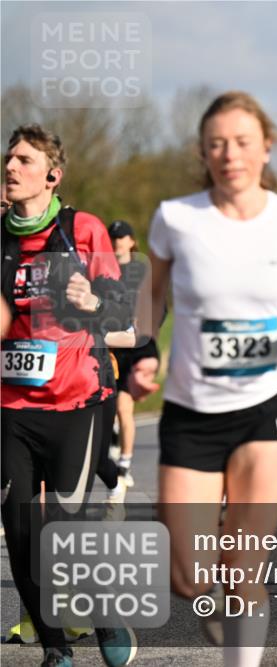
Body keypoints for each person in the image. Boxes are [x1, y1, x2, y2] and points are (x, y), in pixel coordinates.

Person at [130, 92, 277, 667]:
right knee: (187, 576)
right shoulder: (176, 218)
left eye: (243, 142)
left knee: (244, 563)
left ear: (266, 147)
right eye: (217, 143)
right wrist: (138, 354)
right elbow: (150, 304)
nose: (230, 154)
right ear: (203, 151)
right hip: (191, 412)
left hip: (266, 405)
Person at [2, 124, 137, 667]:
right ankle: (55, 648)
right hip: (10, 408)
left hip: (75, 404)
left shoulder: (82, 231)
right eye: (8, 159)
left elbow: (124, 318)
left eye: (24, 160)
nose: (11, 167)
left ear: (52, 175)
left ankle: (103, 610)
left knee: (64, 527)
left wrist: (91, 303)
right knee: (18, 529)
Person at [106, 220, 160, 489]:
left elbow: (158, 303)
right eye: (112, 237)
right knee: (109, 408)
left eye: (122, 236)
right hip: (110, 346)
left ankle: (124, 464)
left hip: (135, 348)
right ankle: (113, 440)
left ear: (131, 241)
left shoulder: (142, 270)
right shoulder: (101, 270)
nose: (116, 241)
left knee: (124, 407)